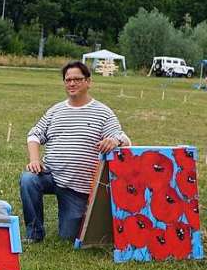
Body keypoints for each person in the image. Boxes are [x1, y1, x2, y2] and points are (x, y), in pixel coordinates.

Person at [20, 61, 130, 242]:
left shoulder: (103, 113)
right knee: (28, 179)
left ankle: (71, 216)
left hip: (78, 187)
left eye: (77, 79)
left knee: (68, 236)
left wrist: (114, 140)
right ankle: (34, 234)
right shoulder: (55, 111)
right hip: (50, 174)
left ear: (88, 82)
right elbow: (34, 135)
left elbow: (125, 140)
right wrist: (34, 159)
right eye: (68, 80)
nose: (72, 84)